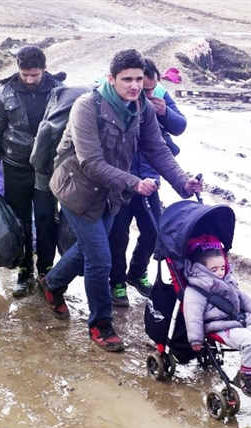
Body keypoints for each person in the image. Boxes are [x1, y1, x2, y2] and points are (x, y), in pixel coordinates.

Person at [37, 49, 203, 352]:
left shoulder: (143, 108)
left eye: (139, 79)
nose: (135, 85)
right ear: (111, 79)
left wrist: (183, 181)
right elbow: (90, 162)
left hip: (112, 193)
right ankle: (101, 324)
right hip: (78, 190)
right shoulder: (86, 107)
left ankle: (51, 284)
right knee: (100, 259)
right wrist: (134, 182)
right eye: (127, 79)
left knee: (86, 248)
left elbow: (158, 150)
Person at [0, 45, 65, 298]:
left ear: (44, 69)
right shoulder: (3, 92)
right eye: (24, 74)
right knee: (18, 221)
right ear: (18, 69)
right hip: (15, 164)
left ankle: (46, 270)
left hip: (47, 167)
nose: (29, 80)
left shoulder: (59, 92)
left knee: (46, 219)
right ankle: (24, 270)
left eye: (35, 75)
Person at [107, 57, 187, 306]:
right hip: (121, 181)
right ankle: (117, 282)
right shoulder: (116, 98)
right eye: (143, 86)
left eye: (151, 87)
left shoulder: (158, 97)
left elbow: (180, 126)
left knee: (153, 230)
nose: (146, 92)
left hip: (149, 179)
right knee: (118, 234)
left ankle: (137, 272)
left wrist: (165, 111)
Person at [183, 236, 251, 398]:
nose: (220, 272)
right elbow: (193, 314)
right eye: (214, 270)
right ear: (202, 269)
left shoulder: (229, 280)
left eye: (222, 268)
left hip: (239, 320)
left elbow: (247, 302)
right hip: (219, 326)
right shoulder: (196, 289)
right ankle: (245, 377)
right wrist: (196, 339)